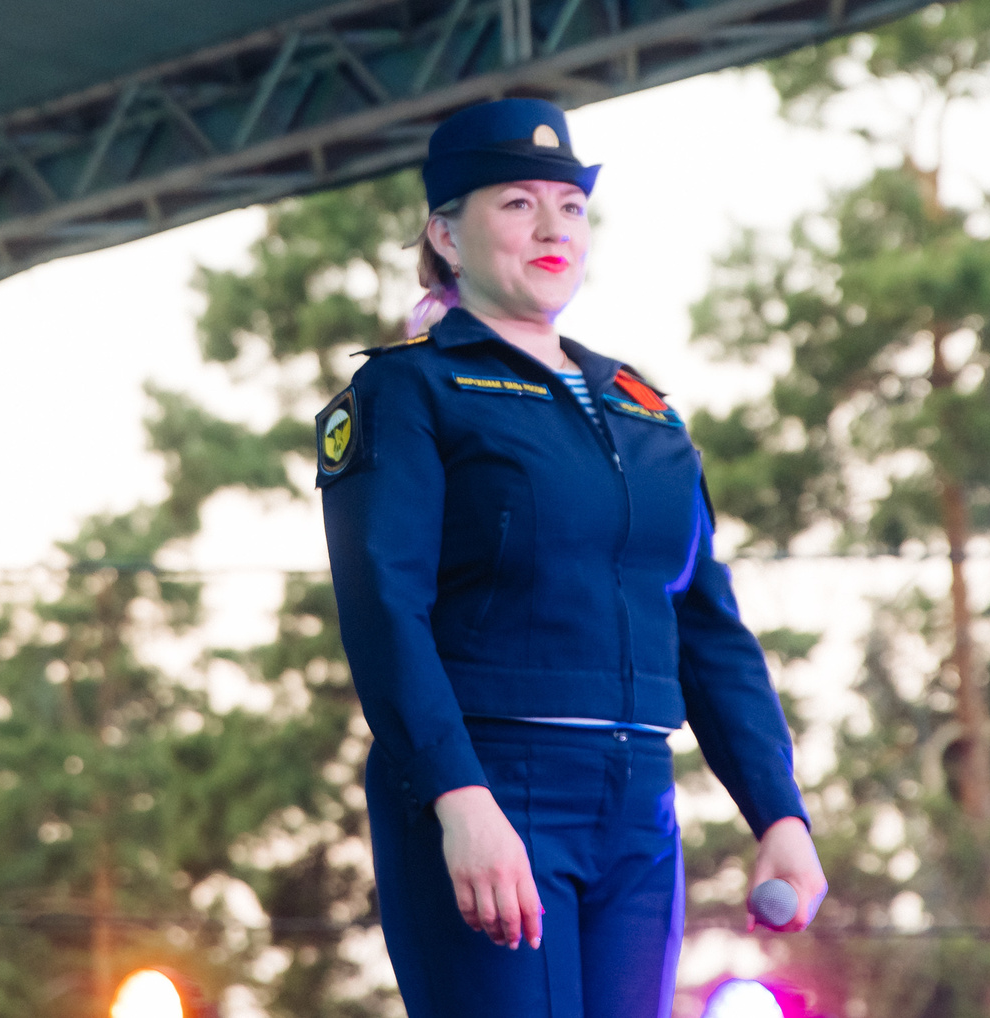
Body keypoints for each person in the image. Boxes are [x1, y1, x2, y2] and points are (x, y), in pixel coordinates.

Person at [319, 98, 826, 1016]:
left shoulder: (648, 412)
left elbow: (708, 631)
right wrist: (459, 797)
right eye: (516, 203)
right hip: (492, 780)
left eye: (571, 205)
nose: (552, 227)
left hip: (637, 799)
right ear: (445, 232)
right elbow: (384, 608)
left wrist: (778, 812)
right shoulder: (409, 390)